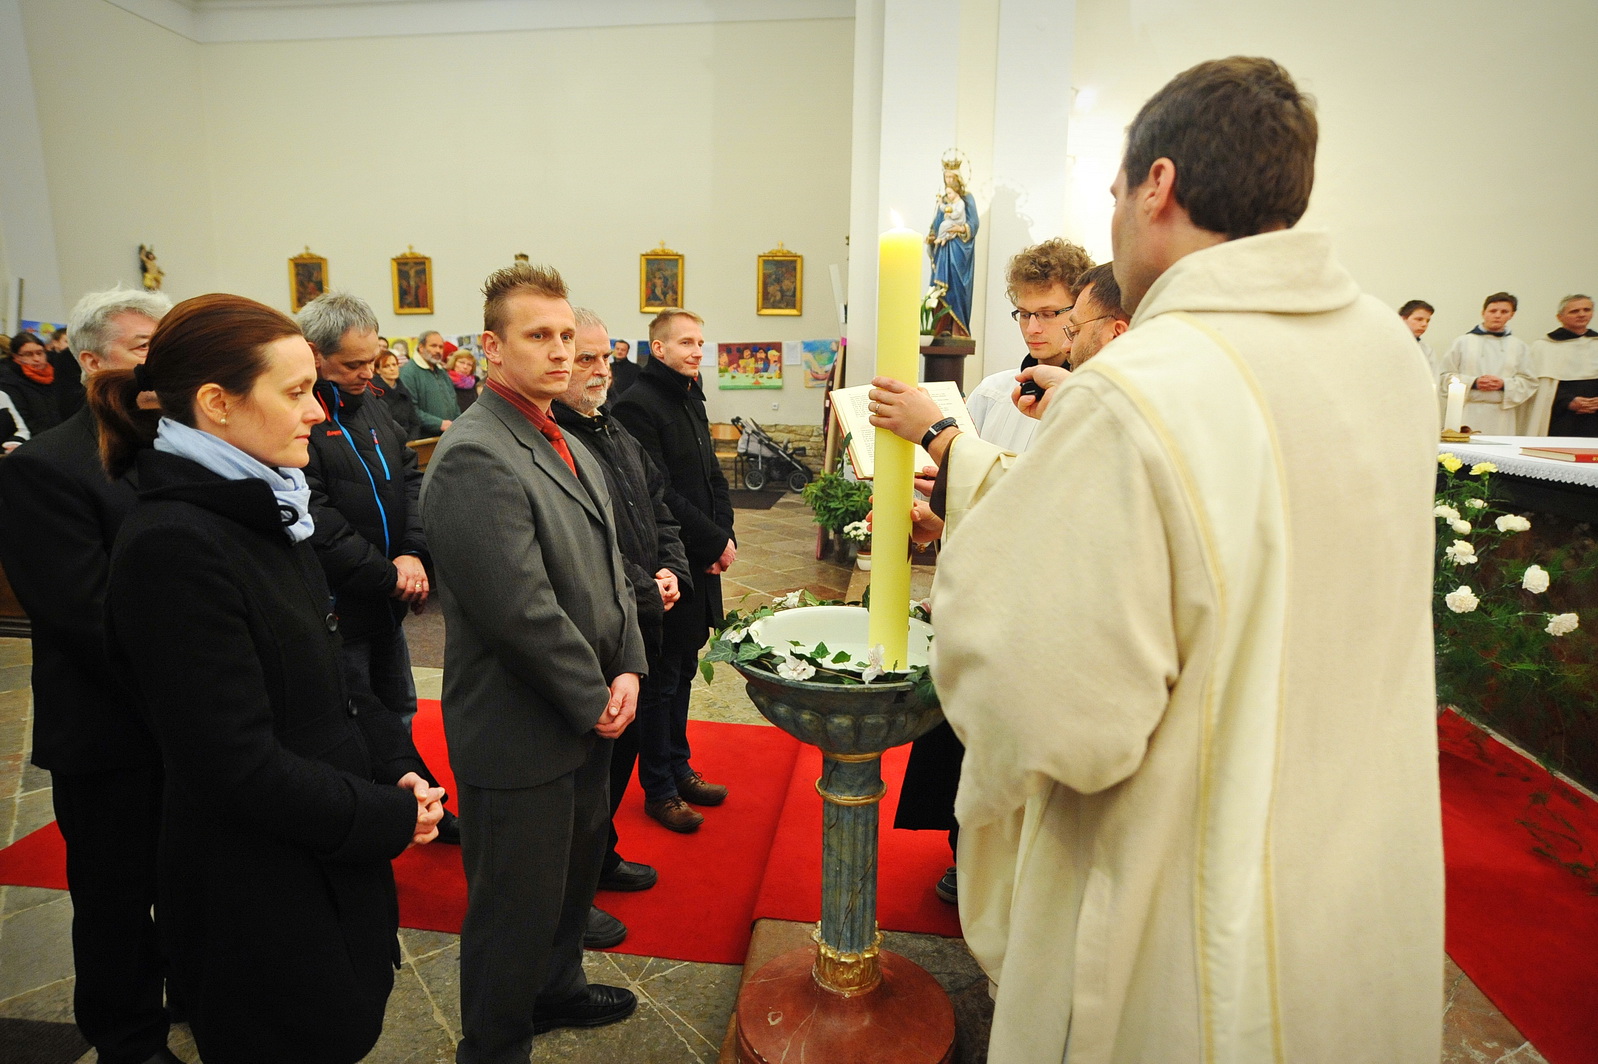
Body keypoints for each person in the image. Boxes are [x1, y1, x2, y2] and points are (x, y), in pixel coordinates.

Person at [903, 57, 1443, 1063]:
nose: (1113, 218)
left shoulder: (1145, 386)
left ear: (1157, 184)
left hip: (1184, 899)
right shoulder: (1385, 351)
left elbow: (1047, 709)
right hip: (1355, 861)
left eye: (1113, 192)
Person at [92, 293, 445, 1064]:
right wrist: (384, 816)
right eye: (295, 392)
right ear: (218, 404)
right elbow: (231, 764)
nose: (317, 412)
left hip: (315, 849)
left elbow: (331, 666)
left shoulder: (262, 506)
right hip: (257, 891)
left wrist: (397, 762)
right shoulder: (174, 543)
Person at [423, 264, 646, 1061]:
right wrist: (595, 694)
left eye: (567, 336)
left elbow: (613, 570)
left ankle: (557, 988)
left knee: (570, 881)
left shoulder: (567, 441)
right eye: (539, 336)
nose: (561, 352)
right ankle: (494, 1044)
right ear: (492, 347)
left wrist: (629, 666)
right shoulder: (475, 454)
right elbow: (517, 609)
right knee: (513, 907)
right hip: (520, 725)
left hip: (585, 711)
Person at [0, 286, 181, 1064]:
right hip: (108, 728)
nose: (160, 360)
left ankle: (194, 993)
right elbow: (85, 614)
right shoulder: (46, 466)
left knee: (188, 881)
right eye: (144, 346)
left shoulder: (174, 444)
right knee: (115, 901)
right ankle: (129, 1039)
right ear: (89, 359)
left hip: (186, 718)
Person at [296, 291, 461, 846]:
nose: (369, 373)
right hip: (339, 604)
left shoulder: (372, 404)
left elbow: (409, 477)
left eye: (373, 359)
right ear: (315, 355)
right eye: (353, 364)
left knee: (398, 710)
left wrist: (412, 552)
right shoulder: (303, 416)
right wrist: (388, 575)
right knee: (350, 722)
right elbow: (315, 517)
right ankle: (370, 822)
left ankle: (410, 809)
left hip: (387, 598)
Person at [554, 307, 693, 941]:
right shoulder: (556, 438)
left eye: (605, 357)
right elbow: (585, 548)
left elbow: (657, 506)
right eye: (585, 358)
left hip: (640, 618)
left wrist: (672, 568)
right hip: (596, 627)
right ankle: (569, 894)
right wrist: (645, 584)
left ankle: (600, 857)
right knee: (585, 771)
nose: (599, 370)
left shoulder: (610, 426)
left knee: (619, 758)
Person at [612, 308, 735, 833]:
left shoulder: (690, 396)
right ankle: (658, 787)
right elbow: (658, 492)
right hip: (669, 561)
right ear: (658, 348)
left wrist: (724, 533)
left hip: (701, 555)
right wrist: (710, 541)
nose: (697, 351)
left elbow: (712, 476)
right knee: (661, 680)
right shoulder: (638, 404)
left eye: (700, 342)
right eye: (686, 342)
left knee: (684, 667)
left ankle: (680, 767)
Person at [964, 239, 1097, 453]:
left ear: (1080, 311)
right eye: (1025, 314)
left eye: (1048, 314)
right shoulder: (990, 393)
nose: (1032, 329)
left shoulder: (1097, 402)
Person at [1437, 292, 1537, 434]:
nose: (1497, 315)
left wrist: (1503, 384)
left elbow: (1529, 382)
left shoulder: (1519, 346)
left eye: (1504, 312)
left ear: (1512, 315)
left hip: (1502, 415)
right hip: (1467, 411)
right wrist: (1474, 382)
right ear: (1483, 312)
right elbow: (1444, 376)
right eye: (1493, 311)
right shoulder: (1462, 342)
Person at [1526, 294, 1598, 436]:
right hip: (1560, 416)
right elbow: (1538, 386)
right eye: (1574, 311)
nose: (1582, 314)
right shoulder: (1544, 346)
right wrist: (1568, 401)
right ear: (1560, 317)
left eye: (1587, 310)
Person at [926, 161, 980, 332]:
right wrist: (932, 235)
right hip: (943, 250)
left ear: (957, 179)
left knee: (957, 286)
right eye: (946, 177)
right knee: (940, 289)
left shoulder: (967, 198)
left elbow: (974, 223)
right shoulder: (944, 200)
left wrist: (960, 229)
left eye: (951, 177)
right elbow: (937, 222)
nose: (948, 180)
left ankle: (958, 328)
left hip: (958, 249)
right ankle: (940, 327)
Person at [2, 331, 70, 436]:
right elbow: (23, 420)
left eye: (40, 353)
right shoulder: (9, 382)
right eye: (28, 354)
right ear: (16, 357)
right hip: (34, 439)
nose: (37, 359)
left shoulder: (58, 375)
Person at [398, 329, 456, 434]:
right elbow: (409, 409)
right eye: (433, 346)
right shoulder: (408, 372)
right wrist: (439, 424)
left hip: (449, 434)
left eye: (441, 347)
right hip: (425, 438)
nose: (438, 350)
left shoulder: (442, 371)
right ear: (421, 347)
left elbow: (454, 401)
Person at [373, 348, 424, 440]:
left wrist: (412, 440)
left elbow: (414, 421)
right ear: (378, 370)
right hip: (388, 440)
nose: (392, 369)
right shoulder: (374, 393)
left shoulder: (404, 391)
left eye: (394, 364)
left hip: (409, 440)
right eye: (386, 366)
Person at [1399, 299, 1437, 375]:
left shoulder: (1427, 350)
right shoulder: (1387, 344)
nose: (1424, 324)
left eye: (1427, 321)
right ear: (1403, 319)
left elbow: (1434, 377)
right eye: (1419, 319)